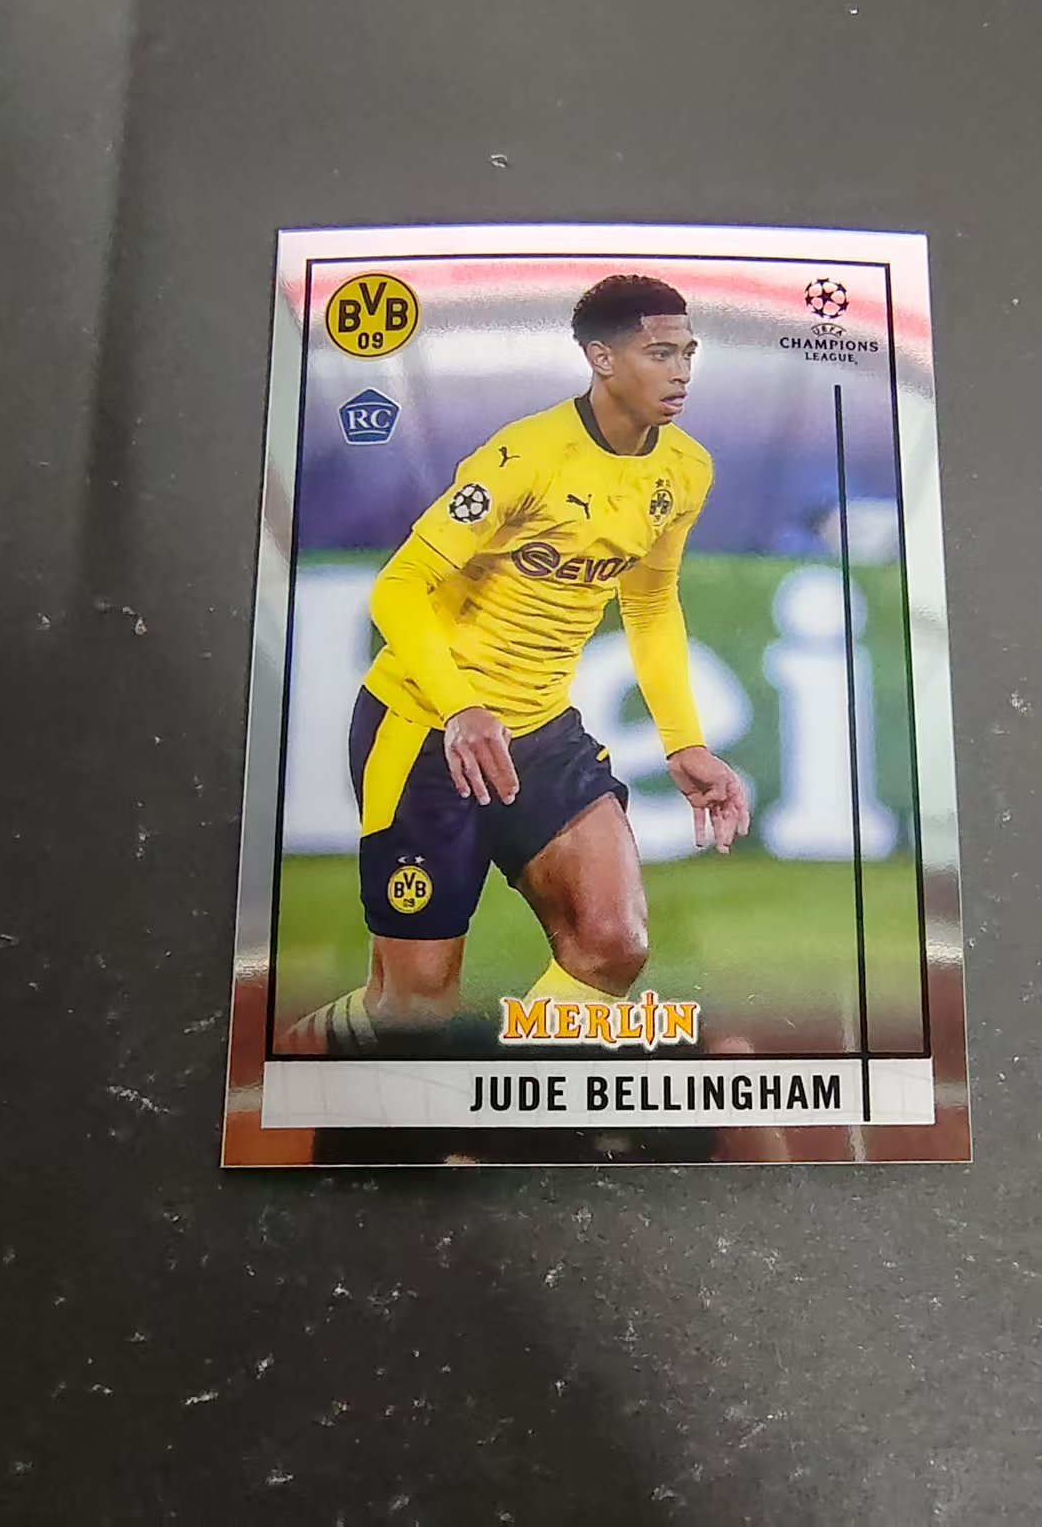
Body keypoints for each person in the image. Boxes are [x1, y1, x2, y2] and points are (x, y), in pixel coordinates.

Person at [285, 274, 750, 1054]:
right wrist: (461, 707)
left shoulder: (684, 470)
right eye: (659, 353)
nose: (680, 373)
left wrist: (683, 742)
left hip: (540, 732)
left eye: (688, 354)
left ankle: (503, 1097)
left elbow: (649, 604)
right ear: (601, 358)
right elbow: (399, 586)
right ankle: (282, 1069)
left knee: (613, 944)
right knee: (411, 1013)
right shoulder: (523, 458)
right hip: (424, 732)